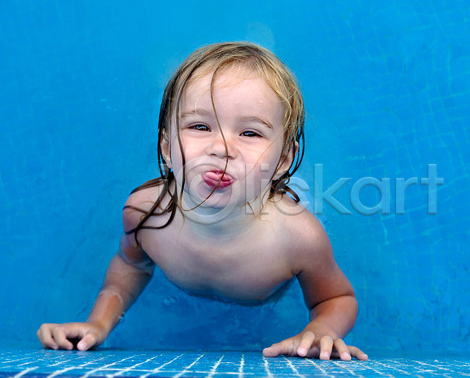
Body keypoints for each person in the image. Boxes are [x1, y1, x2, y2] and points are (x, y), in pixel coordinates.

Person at [37, 42, 368, 361]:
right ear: (167, 147)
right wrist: (98, 323)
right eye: (199, 126)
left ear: (283, 159)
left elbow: (337, 297)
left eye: (250, 133)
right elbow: (131, 264)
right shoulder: (147, 212)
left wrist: (319, 329)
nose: (222, 148)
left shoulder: (297, 237)